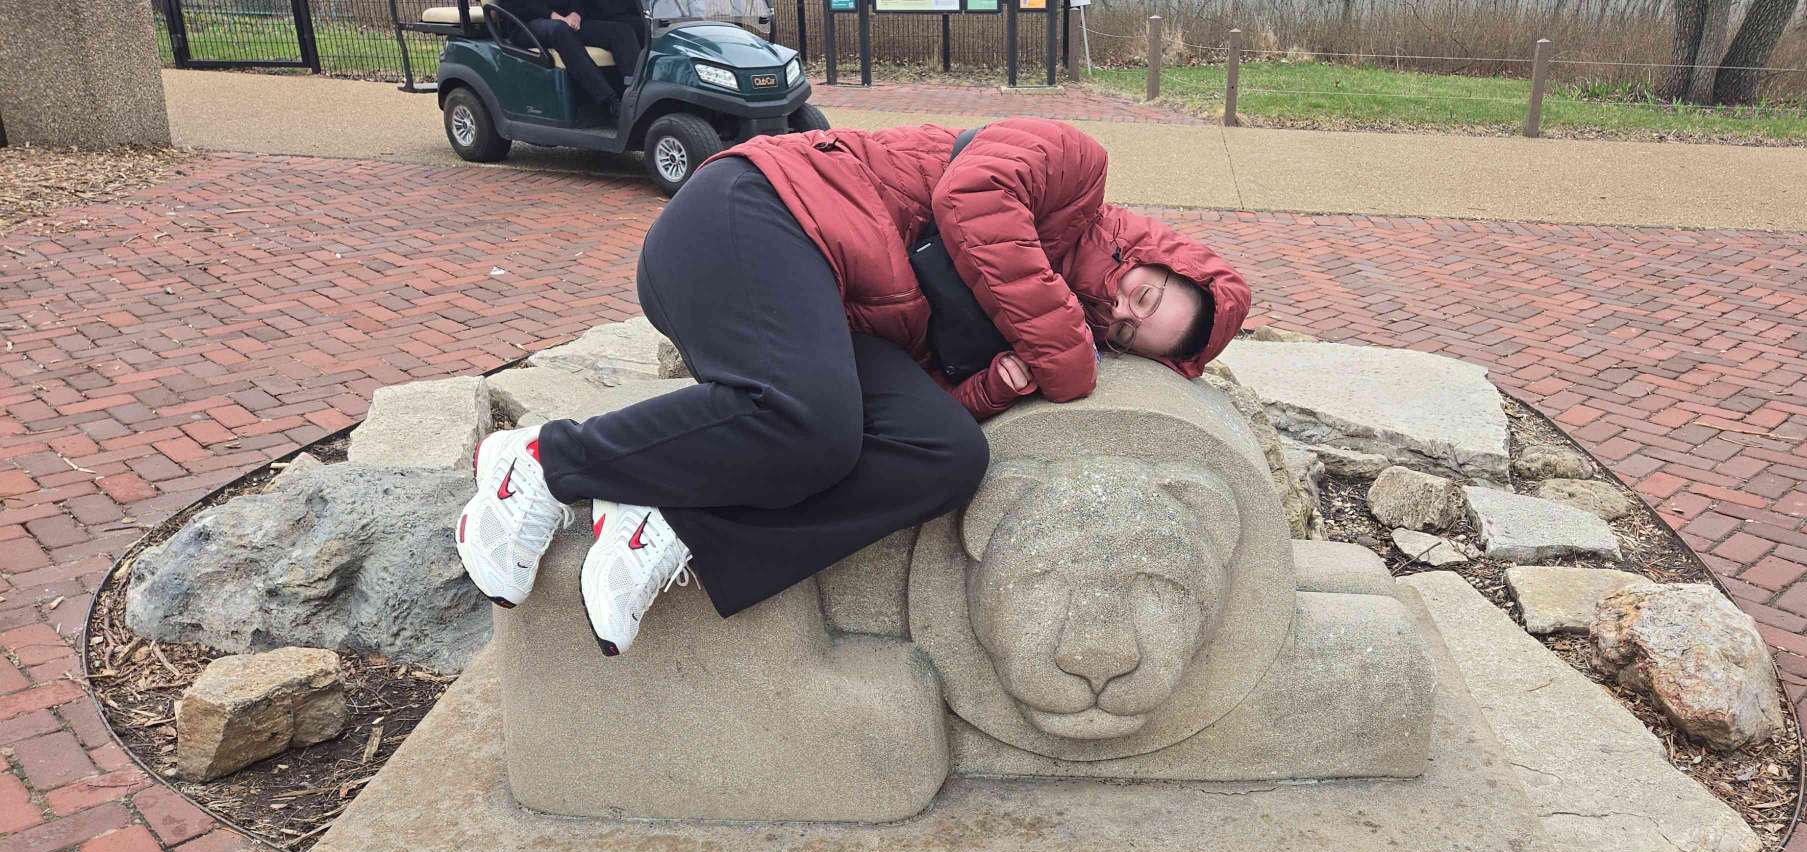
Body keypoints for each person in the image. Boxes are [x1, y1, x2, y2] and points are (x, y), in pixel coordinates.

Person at [455, 118, 1250, 655]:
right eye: (1142, 294)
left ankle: (675, 519)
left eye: (1124, 333)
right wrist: (1072, 356)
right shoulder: (1072, 167)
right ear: (1157, 254)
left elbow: (916, 399)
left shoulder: (1033, 326)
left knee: (946, 460)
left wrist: (995, 389)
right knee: (813, 423)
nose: (1115, 308)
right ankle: (544, 461)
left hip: (817, 319)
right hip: (756, 210)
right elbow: (970, 202)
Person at [490, 0, 641, 116]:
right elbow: (518, 5)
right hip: (526, 23)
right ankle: (609, 100)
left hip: (566, 21)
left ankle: (635, 96)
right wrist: (553, 15)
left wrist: (576, 13)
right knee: (559, 30)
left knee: (621, 31)